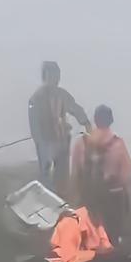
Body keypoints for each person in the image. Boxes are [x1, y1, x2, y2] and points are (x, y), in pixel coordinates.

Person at [71, 104, 131, 243]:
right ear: (111, 120)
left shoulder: (81, 143)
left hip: (87, 196)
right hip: (111, 197)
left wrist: (77, 194)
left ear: (95, 119)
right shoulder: (117, 144)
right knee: (113, 233)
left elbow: (75, 171)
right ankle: (114, 245)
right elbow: (126, 172)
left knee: (86, 232)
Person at [28, 61, 91, 191]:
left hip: (62, 140)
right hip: (45, 142)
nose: (56, 78)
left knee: (62, 175)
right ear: (45, 76)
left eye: (57, 75)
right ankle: (47, 198)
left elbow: (75, 108)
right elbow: (33, 124)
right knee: (46, 174)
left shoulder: (62, 94)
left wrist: (86, 123)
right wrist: (39, 142)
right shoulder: (36, 98)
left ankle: (62, 200)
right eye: (52, 75)